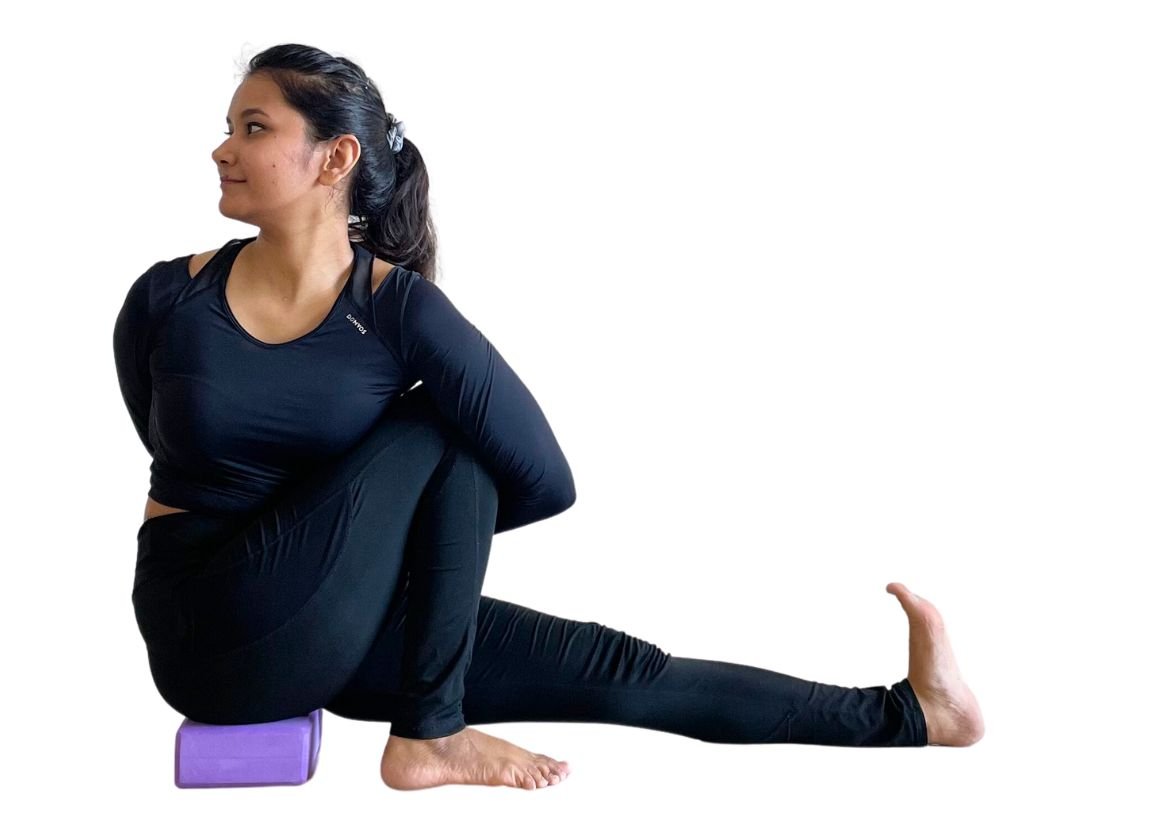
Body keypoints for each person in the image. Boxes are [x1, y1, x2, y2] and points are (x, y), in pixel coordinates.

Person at [113, 44, 985, 792]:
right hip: (203, 620)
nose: (224, 147)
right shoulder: (169, 297)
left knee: (623, 671)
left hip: (338, 619)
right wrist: (350, 529)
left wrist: (373, 555)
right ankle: (431, 730)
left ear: (334, 158)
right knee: (441, 431)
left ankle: (911, 715)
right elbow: (165, 439)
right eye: (231, 126)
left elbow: (543, 478)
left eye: (253, 127)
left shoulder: (399, 313)